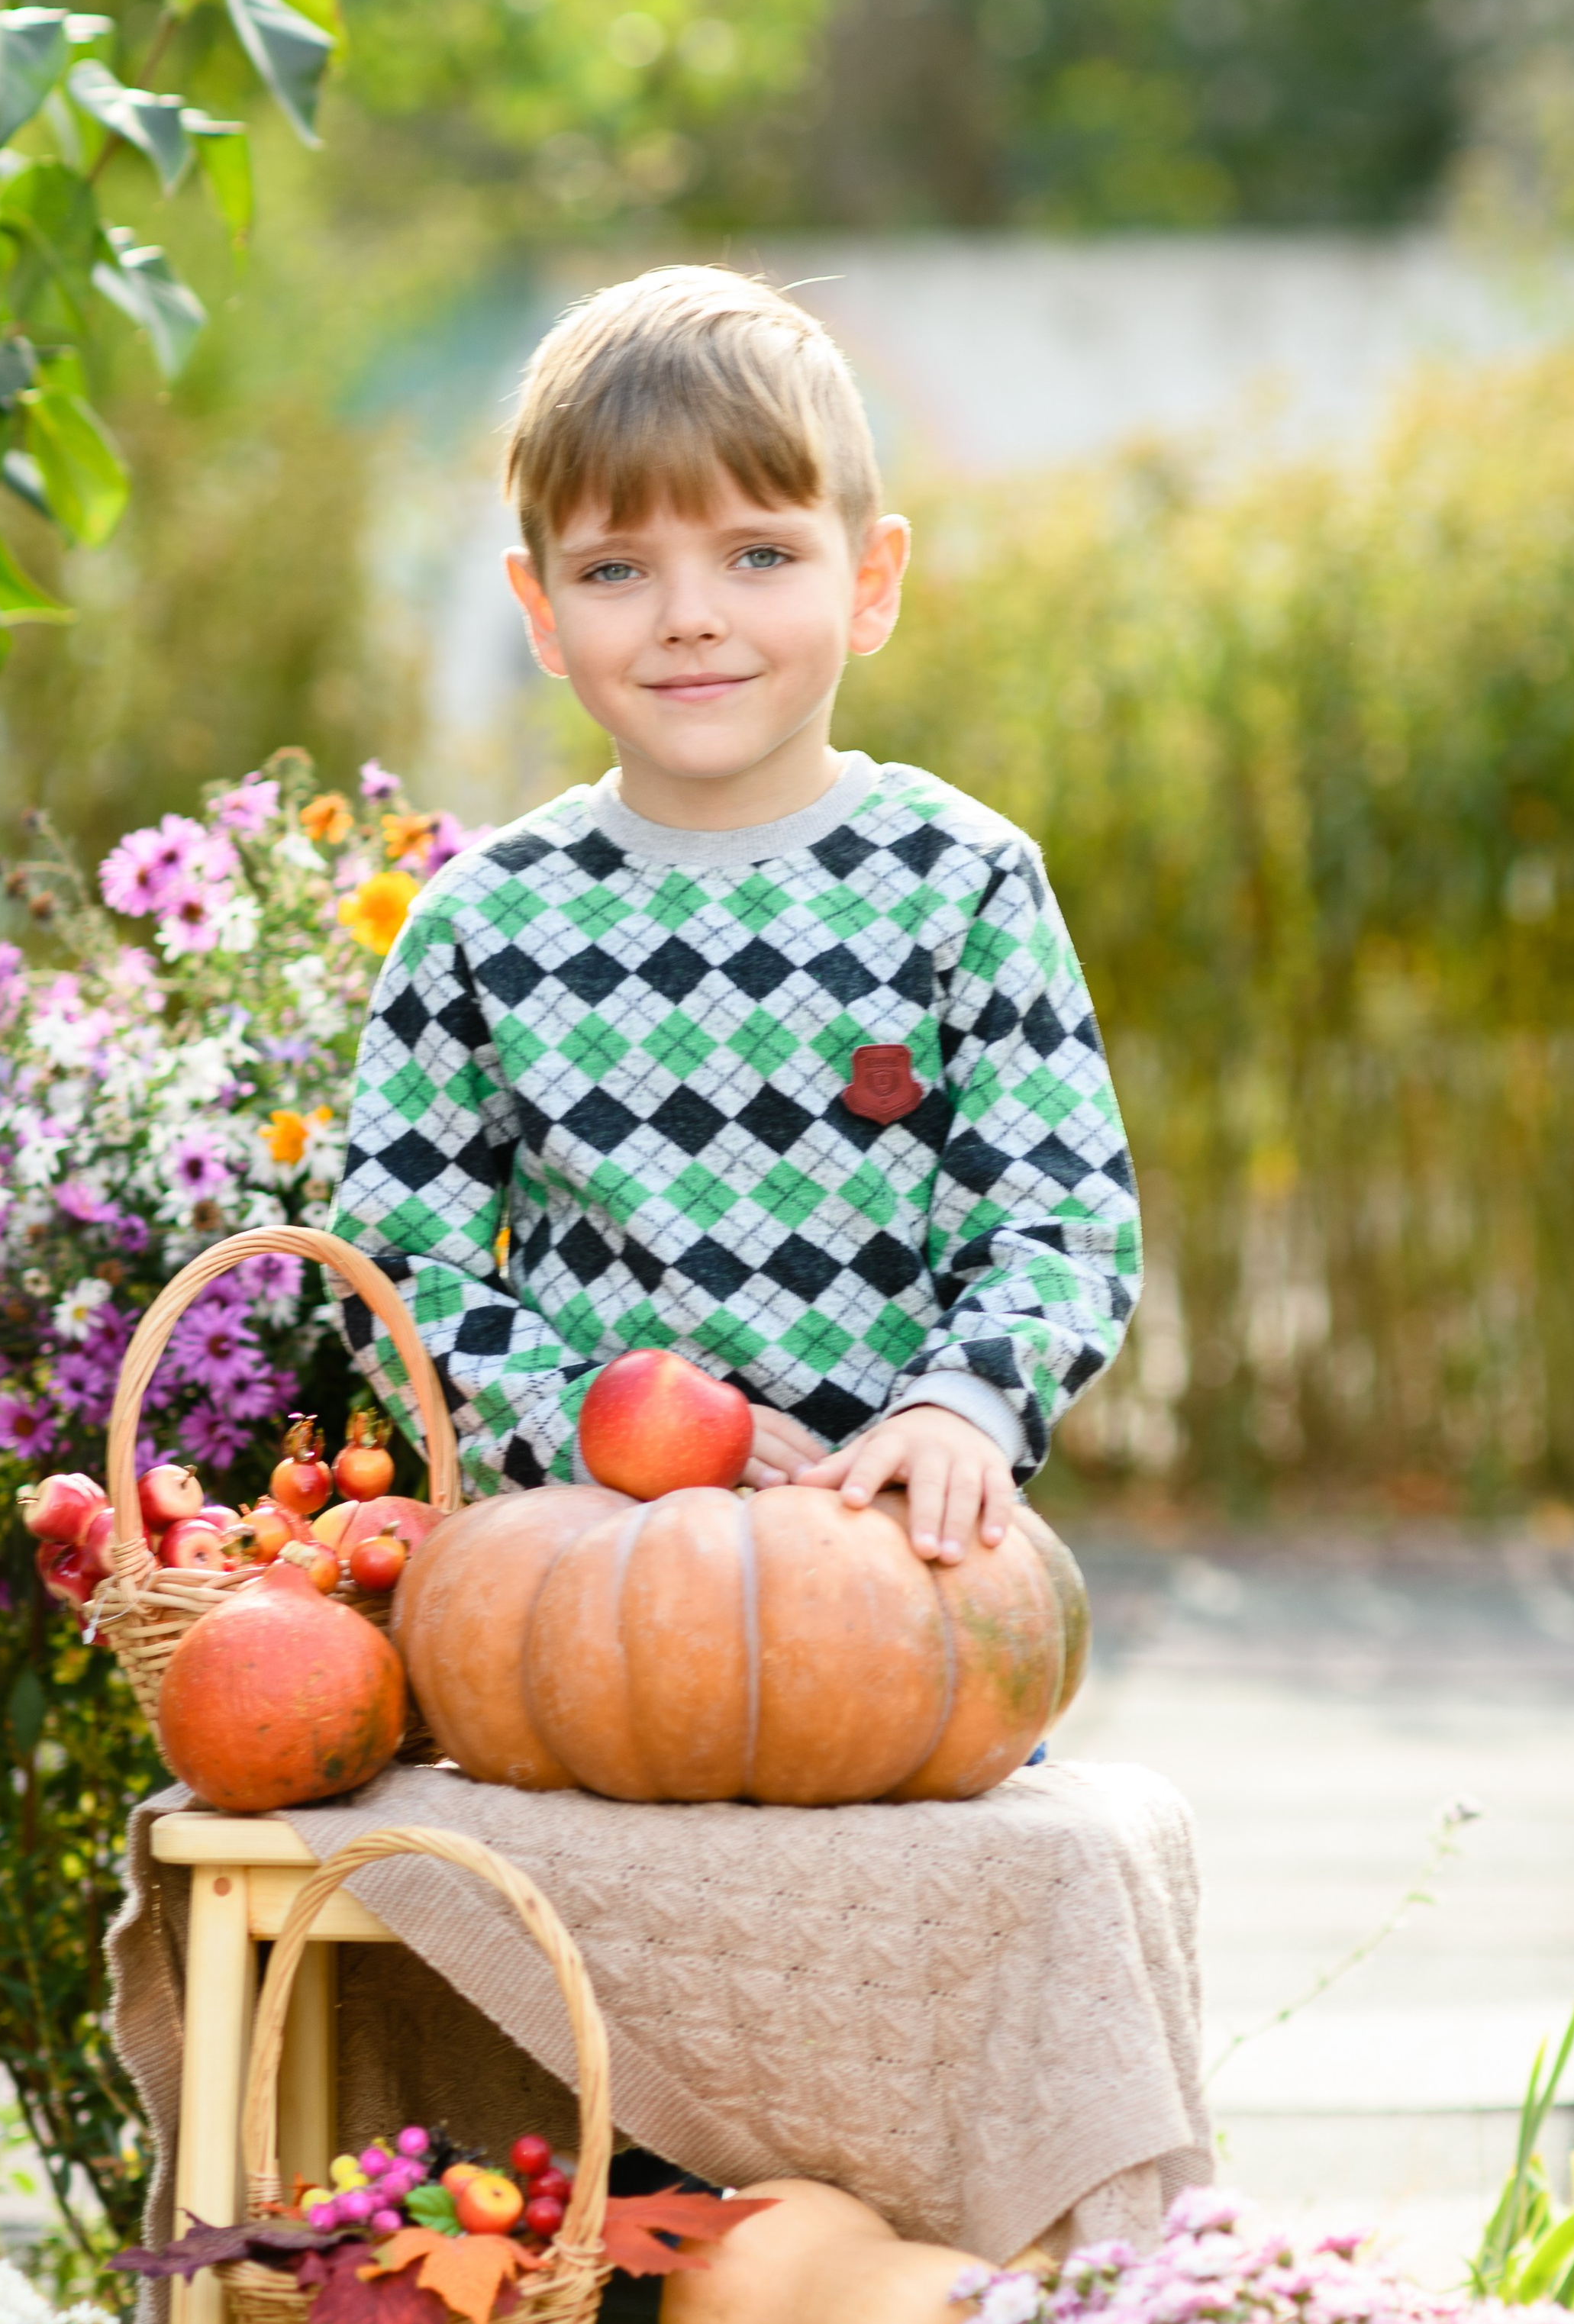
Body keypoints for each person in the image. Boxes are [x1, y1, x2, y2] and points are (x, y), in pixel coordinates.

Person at [332, 264, 1140, 1567]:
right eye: (615, 569)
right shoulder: (484, 922)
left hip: (896, 1564)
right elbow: (396, 1267)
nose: (691, 617)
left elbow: (1058, 1219)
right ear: (539, 609)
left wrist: (964, 1408)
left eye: (759, 554)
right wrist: (574, 1414)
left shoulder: (962, 882)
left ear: (870, 580)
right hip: (587, 1565)